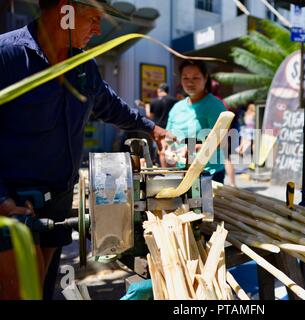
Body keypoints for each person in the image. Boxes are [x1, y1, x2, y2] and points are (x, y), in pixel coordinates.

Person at [0, 0, 174, 300]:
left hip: (57, 205)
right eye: (93, 18)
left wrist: (152, 129)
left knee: (42, 291)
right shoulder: (8, 56)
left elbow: (110, 106)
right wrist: (1, 200)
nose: (98, 29)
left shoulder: (83, 66)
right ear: (64, 10)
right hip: (15, 208)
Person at [165, 60, 227, 183]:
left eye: (195, 78)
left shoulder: (214, 105)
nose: (190, 82)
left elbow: (223, 140)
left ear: (205, 78)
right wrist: (167, 149)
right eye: (185, 78)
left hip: (209, 173)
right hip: (182, 171)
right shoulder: (176, 107)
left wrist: (196, 148)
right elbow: (168, 137)